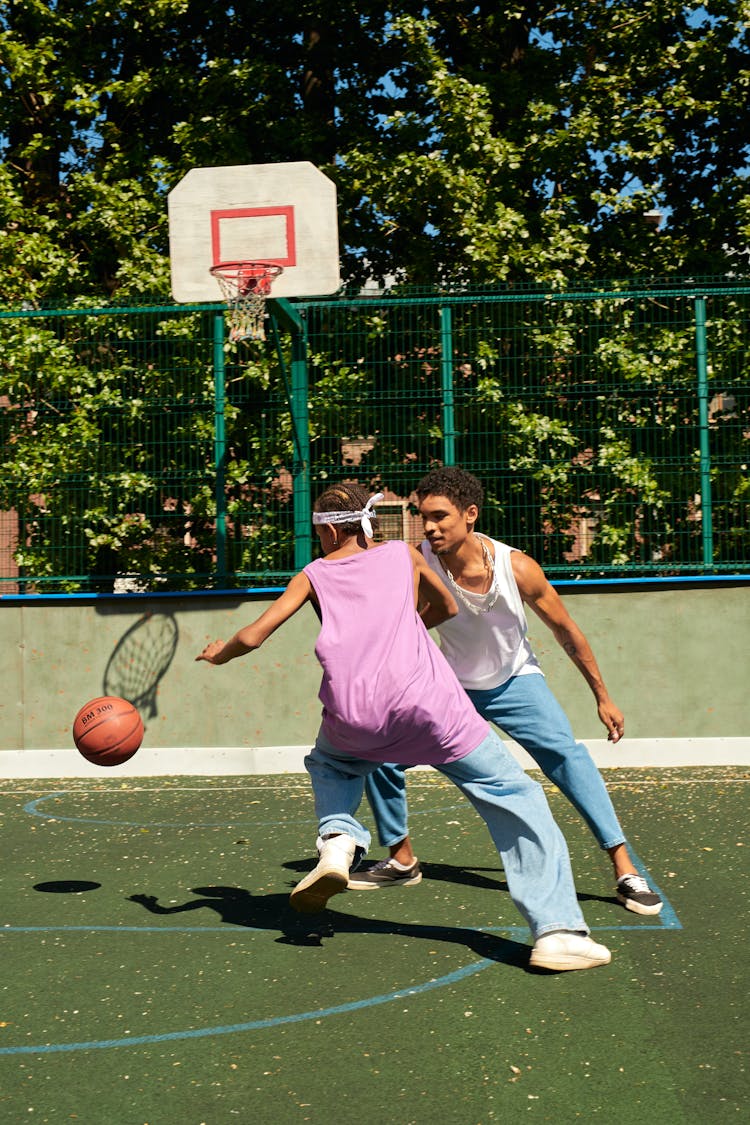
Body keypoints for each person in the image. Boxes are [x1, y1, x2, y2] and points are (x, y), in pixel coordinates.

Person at [197, 483, 612, 972]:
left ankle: (337, 843)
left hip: (353, 715)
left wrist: (219, 653)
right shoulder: (401, 555)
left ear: (327, 530)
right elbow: (448, 608)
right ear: (365, 523)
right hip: (429, 707)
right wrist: (407, 623)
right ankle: (558, 931)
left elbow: (253, 635)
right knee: (514, 795)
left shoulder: (311, 574)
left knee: (331, 763)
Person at [349, 466, 662, 918]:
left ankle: (624, 869)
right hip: (452, 689)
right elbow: (400, 618)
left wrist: (603, 696)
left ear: (470, 514)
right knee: (378, 754)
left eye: (440, 516)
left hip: (516, 681)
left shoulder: (516, 566)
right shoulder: (416, 561)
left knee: (567, 758)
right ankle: (401, 858)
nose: (430, 526)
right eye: (423, 516)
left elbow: (566, 631)